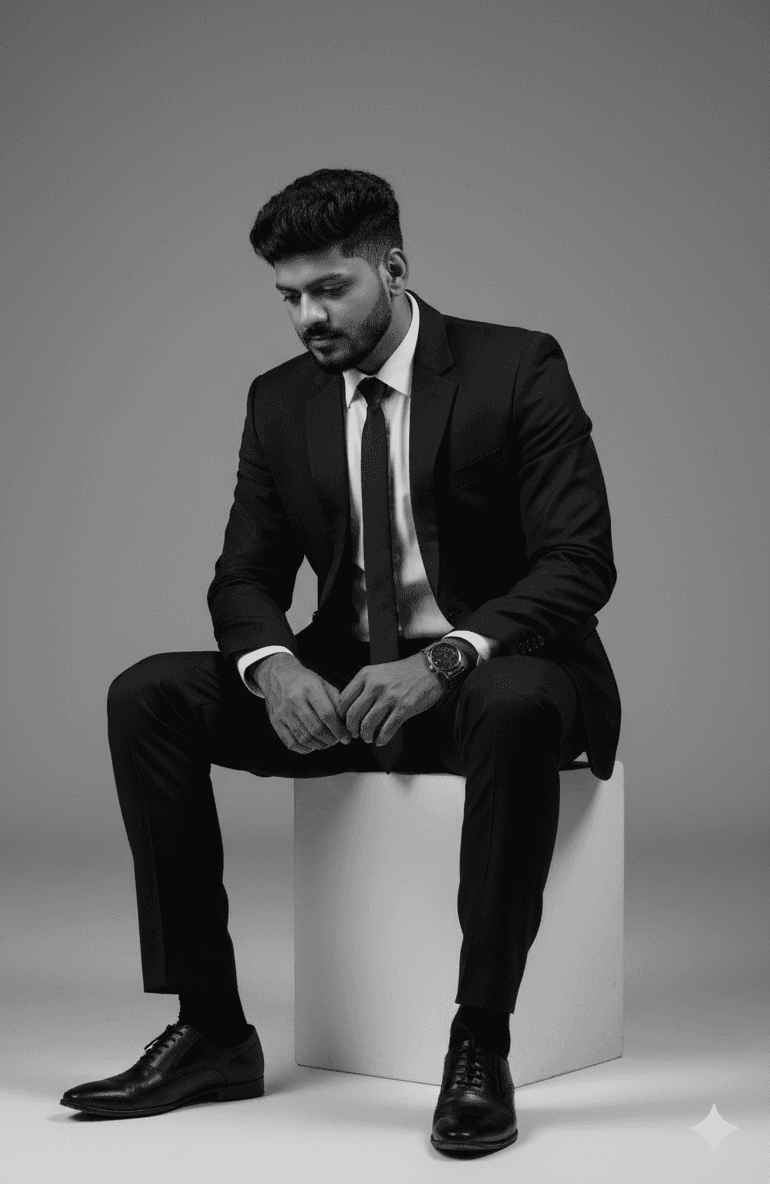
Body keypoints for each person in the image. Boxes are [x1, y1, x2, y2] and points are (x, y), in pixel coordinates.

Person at [60, 168, 621, 1158]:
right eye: (288, 296)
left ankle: (479, 1040)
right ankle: (213, 1029)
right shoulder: (281, 402)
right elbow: (242, 574)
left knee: (513, 700)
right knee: (148, 692)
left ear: (393, 269)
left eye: (329, 289)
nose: (306, 317)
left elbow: (580, 562)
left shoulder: (517, 367)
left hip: (505, 672)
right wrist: (276, 669)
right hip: (347, 684)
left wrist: (444, 657)